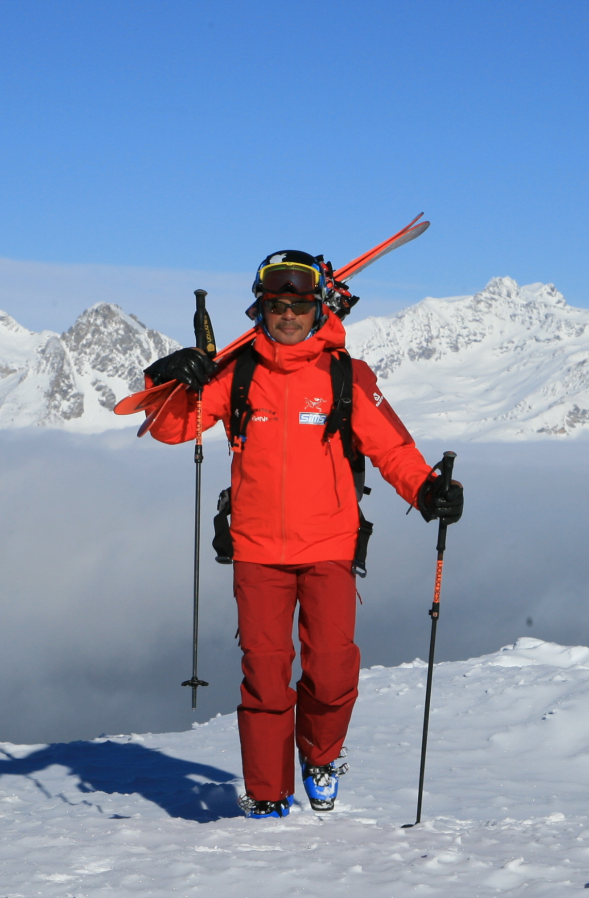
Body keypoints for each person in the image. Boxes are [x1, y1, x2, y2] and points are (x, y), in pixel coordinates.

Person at [142, 250, 464, 818]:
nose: (287, 315)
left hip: (330, 547)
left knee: (332, 669)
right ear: (260, 309)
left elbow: (392, 448)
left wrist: (427, 490)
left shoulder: (345, 375)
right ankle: (268, 795)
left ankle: (320, 757)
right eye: (276, 305)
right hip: (257, 551)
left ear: (319, 310)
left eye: (298, 305)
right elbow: (171, 428)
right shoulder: (235, 374)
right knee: (265, 679)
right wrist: (167, 376)